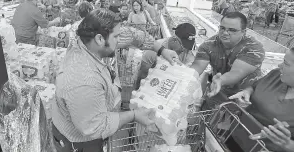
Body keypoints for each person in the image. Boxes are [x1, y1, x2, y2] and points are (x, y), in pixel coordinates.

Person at [51, 9, 180, 151]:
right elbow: (96, 127)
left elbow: (134, 35)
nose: (120, 40)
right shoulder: (82, 79)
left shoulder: (91, 39)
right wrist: (134, 115)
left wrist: (162, 50)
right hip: (80, 140)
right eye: (116, 36)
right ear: (100, 39)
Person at [217, 47, 294, 152]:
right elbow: (254, 86)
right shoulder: (276, 75)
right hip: (235, 135)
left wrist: (288, 144)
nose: (279, 65)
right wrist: (247, 92)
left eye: (286, 63)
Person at [190, 12, 265, 110]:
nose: (225, 33)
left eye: (232, 30)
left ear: (243, 32)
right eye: (222, 28)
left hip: (244, 97)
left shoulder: (253, 48)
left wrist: (221, 80)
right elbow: (197, 67)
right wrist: (183, 75)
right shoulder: (209, 45)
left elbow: (237, 72)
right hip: (217, 92)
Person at [137, 23, 196, 89]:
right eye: (183, 46)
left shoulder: (187, 52)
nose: (184, 51)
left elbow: (190, 73)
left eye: (188, 48)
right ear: (174, 39)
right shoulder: (152, 51)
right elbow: (142, 75)